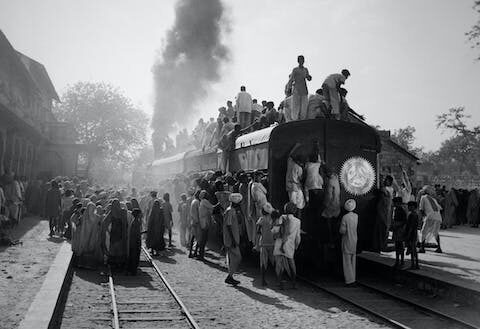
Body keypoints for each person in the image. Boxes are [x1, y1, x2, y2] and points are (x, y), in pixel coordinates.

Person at [273, 202, 301, 289]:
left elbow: (275, 230)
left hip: (279, 243)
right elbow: (297, 236)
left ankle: (280, 282)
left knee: (278, 264)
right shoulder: (297, 221)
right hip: (290, 244)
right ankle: (293, 282)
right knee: (291, 263)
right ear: (295, 210)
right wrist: (296, 245)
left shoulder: (281, 217)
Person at [223, 193, 243, 285]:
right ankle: (230, 276)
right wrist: (233, 240)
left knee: (232, 258)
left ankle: (230, 276)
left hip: (230, 239)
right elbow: (229, 226)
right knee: (237, 257)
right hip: (231, 239)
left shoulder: (229, 210)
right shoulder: (231, 211)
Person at [102, 199, 128, 269]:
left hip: (114, 233)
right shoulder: (123, 212)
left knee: (114, 248)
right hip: (122, 233)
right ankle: (120, 263)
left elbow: (104, 223)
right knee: (121, 248)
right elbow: (126, 223)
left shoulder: (111, 212)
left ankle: (114, 263)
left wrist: (107, 231)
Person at [418, 186, 443, 253]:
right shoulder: (433, 199)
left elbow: (421, 209)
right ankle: (439, 248)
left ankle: (422, 248)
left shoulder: (423, 198)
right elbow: (440, 208)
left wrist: (421, 219)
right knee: (436, 232)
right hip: (438, 217)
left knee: (423, 232)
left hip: (430, 216)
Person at [340, 199, 358, 286]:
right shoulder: (356, 216)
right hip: (354, 240)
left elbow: (342, 231)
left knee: (347, 261)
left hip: (347, 240)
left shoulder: (345, 217)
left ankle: (349, 280)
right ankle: (353, 278)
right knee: (353, 260)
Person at [288, 55, 312, 120]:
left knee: (304, 106)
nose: (301, 61)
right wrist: (288, 88)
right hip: (296, 89)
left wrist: (309, 77)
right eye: (300, 60)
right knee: (296, 106)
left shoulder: (305, 69)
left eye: (302, 60)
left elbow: (308, 78)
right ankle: (295, 120)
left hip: (304, 90)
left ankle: (302, 119)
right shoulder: (295, 69)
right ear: (298, 61)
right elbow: (291, 79)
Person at [256, 203, 275, 286]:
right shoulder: (273, 219)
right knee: (274, 261)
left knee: (263, 262)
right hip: (272, 242)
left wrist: (256, 244)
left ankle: (263, 280)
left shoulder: (261, 219)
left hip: (263, 242)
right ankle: (279, 279)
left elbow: (257, 232)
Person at [286, 143, 305, 212]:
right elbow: (300, 178)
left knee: (292, 204)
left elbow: (290, 155)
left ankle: (293, 218)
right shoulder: (299, 168)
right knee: (299, 205)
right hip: (296, 186)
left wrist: (295, 146)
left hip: (289, 186)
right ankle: (298, 219)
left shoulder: (290, 162)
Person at [198, 190, 215, 260]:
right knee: (204, 239)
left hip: (203, 221)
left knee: (203, 238)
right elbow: (212, 207)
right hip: (205, 222)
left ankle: (201, 254)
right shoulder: (205, 201)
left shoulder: (202, 201)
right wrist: (220, 204)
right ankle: (201, 255)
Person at [126, 207, 142, 275]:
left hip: (133, 241)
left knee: (133, 255)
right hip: (135, 241)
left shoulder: (134, 221)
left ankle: (132, 269)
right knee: (135, 255)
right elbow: (136, 233)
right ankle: (133, 270)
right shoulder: (136, 222)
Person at [392, 197, 407, 268]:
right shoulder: (398, 210)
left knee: (400, 246)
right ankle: (398, 261)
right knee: (398, 246)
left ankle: (401, 261)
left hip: (399, 230)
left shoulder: (401, 210)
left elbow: (404, 221)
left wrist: (397, 226)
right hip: (397, 229)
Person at [405, 201, 420, 270]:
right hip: (415, 233)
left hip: (411, 234)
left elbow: (410, 226)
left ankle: (413, 264)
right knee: (414, 249)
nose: (408, 208)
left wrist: (408, 235)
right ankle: (416, 264)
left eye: (409, 206)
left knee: (412, 249)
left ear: (413, 207)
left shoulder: (411, 215)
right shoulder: (416, 214)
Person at [189, 190, 201, 258]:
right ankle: (195, 252)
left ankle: (191, 252)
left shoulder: (193, 201)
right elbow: (199, 212)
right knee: (198, 238)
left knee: (193, 237)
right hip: (197, 222)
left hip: (193, 221)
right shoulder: (198, 202)